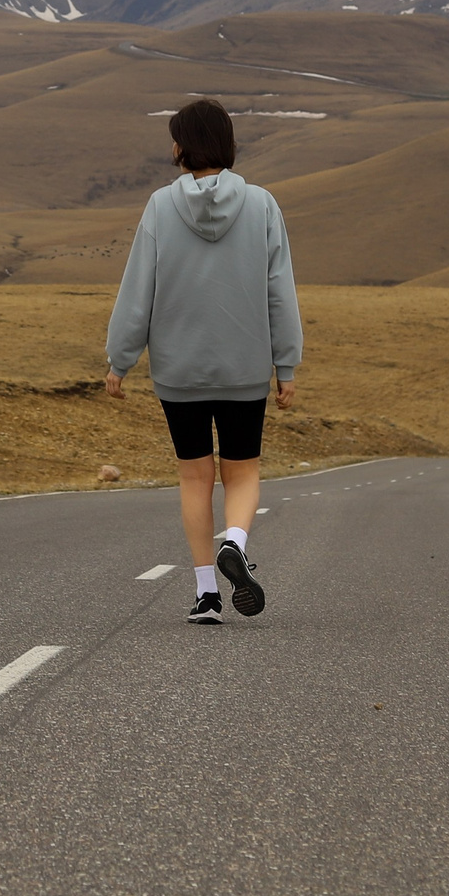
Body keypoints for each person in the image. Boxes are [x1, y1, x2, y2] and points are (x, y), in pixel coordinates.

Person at [103, 97, 301, 623]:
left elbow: (137, 290)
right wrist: (287, 366)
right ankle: (234, 541)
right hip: (244, 367)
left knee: (195, 478)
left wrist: (119, 360)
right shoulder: (263, 205)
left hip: (178, 369)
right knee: (243, 471)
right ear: (226, 143)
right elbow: (279, 291)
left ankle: (207, 595)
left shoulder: (159, 207)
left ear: (182, 147)